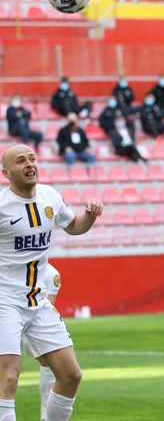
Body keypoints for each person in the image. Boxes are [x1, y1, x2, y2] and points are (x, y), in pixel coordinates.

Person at [0, 144, 103, 420]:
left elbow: (74, 226)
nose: (29, 164)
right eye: (20, 161)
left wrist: (90, 216)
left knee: (70, 375)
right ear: (6, 173)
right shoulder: (1, 206)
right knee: (8, 378)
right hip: (5, 302)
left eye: (32, 158)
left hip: (38, 301)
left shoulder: (50, 196)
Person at [21, 263, 62, 421]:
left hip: (27, 322)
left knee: (49, 359)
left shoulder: (50, 274)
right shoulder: (10, 262)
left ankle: (45, 414)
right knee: (8, 370)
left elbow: (45, 311)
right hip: (6, 316)